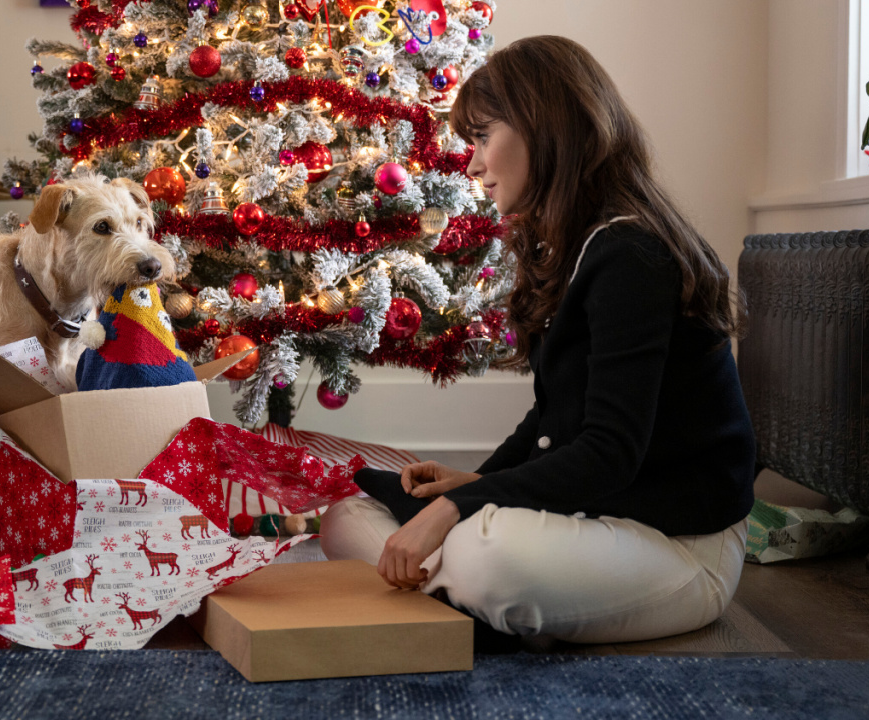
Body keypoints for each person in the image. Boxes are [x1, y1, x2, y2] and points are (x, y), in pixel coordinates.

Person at [320, 35, 757, 645]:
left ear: (543, 128)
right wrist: (473, 485)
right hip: (604, 513)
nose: (472, 165)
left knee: (482, 553)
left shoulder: (632, 254)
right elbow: (551, 419)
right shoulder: (580, 246)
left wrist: (459, 507)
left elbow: (610, 450)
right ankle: (472, 602)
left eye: (482, 138)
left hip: (679, 544)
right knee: (347, 514)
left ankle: (464, 595)